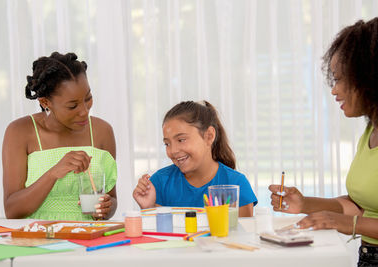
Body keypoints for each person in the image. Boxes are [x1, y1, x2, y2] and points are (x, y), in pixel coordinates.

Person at [269, 18, 378, 266]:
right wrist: (305, 204)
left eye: (340, 79)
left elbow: (353, 219)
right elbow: (362, 207)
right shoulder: (370, 132)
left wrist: (344, 223)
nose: (333, 89)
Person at [2, 52, 117, 220]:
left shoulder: (102, 131)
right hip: (39, 240)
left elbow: (111, 199)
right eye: (72, 106)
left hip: (90, 240)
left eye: (88, 98)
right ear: (45, 102)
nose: (84, 111)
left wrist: (107, 207)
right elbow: (12, 211)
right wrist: (53, 173)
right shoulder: (19, 132)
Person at [133, 100, 257, 217]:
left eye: (181, 140)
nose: (173, 151)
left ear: (209, 136)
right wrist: (148, 207)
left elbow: (242, 236)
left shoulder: (236, 184)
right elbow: (156, 235)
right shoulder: (159, 183)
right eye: (167, 144)